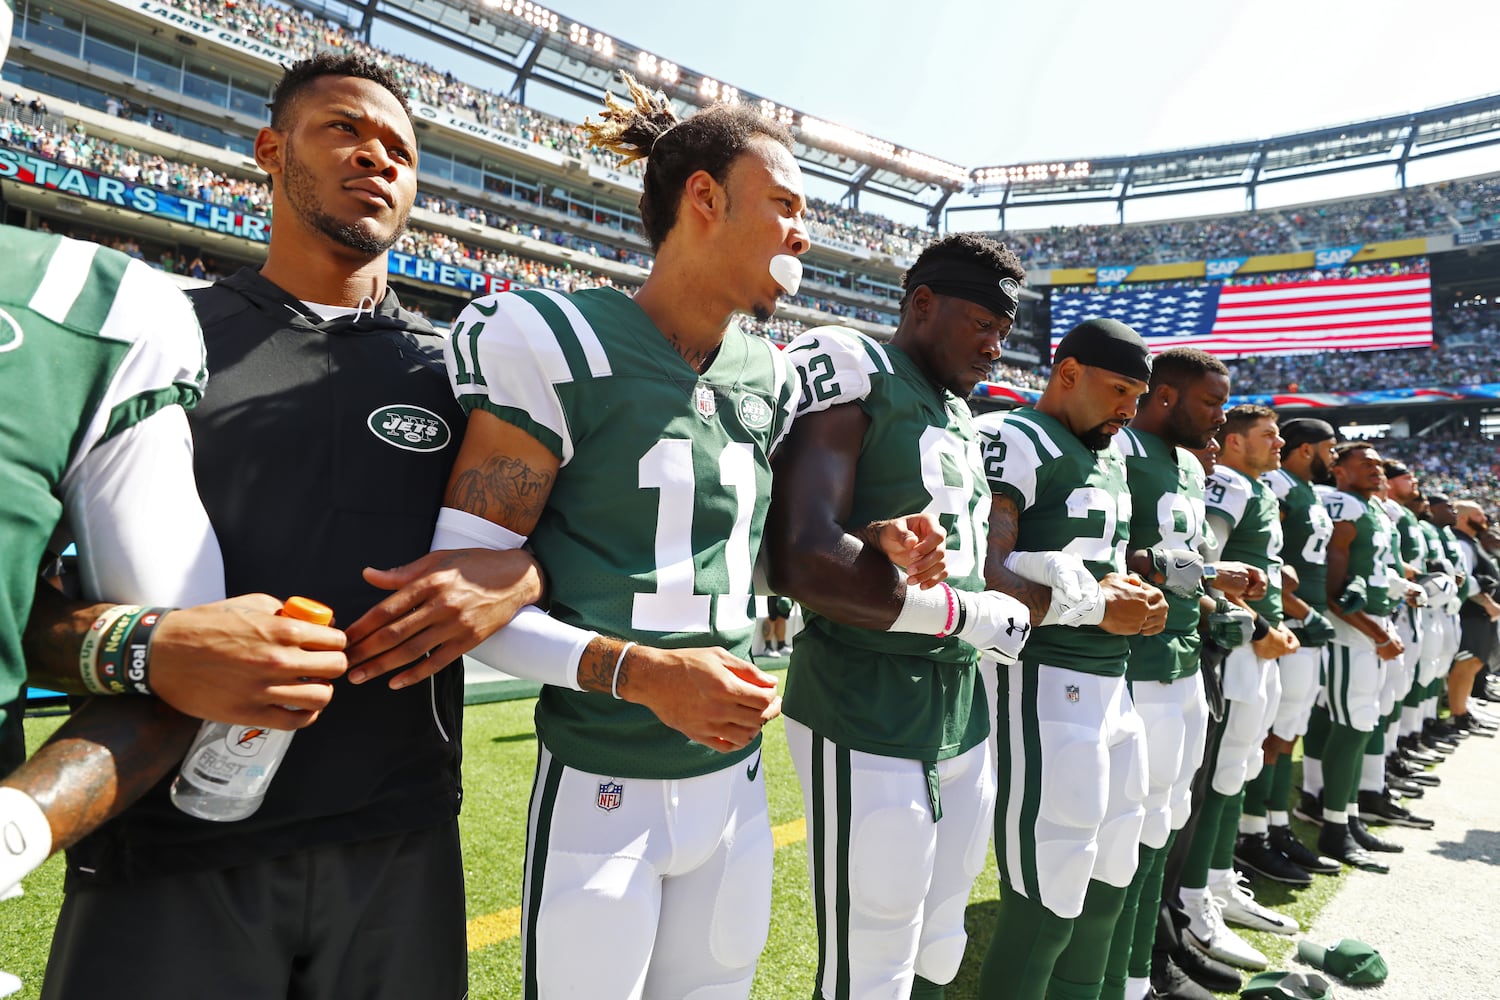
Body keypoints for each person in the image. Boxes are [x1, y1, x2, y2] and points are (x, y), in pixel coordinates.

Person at [394, 73, 932, 999]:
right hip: (604, 783)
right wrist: (639, 674)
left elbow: (715, 553)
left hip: (734, 783)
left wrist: (870, 539)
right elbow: (459, 602)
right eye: (787, 205)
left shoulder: (767, 371)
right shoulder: (560, 341)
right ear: (705, 198)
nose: (805, 233)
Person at [42, 53, 542, 999]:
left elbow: (553, 544)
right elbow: (30, 606)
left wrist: (523, 575)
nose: (376, 157)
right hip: (168, 846)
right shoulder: (160, 341)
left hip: (396, 840)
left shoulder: (465, 374)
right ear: (271, 149)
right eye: (343, 130)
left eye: (398, 147)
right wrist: (155, 647)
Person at [766, 234, 1033, 999]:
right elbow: (802, 555)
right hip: (864, 699)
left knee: (941, 940)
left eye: (1005, 333)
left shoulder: (958, 413)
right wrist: (964, 614)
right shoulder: (856, 366)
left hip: (960, 707)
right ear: (922, 304)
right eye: (982, 324)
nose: (995, 347)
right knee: (873, 950)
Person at [974, 317, 1169, 1000]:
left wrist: (1136, 596)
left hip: (1112, 684)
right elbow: (981, 573)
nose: (1128, 410)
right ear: (1068, 373)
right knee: (1053, 881)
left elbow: (1100, 567)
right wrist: (1093, 608)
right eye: (1119, 390)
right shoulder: (1013, 437)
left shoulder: (1109, 452)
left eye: (1138, 397)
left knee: (1115, 871)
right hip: (1043, 681)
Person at [1102, 347, 1232, 1000]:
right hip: (1138, 664)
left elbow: (1184, 565)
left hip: (1183, 660)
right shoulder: (1119, 451)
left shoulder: (1186, 462)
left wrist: (1213, 588)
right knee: (1131, 828)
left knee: (1167, 820)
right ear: (1167, 396)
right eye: (1211, 401)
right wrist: (1205, 579)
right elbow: (1126, 555)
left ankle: (1151, 955)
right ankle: (1130, 972)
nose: (1221, 416)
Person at [1176, 404, 1301, 972]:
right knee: (1222, 771)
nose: (1279, 443)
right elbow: (1210, 564)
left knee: (1241, 768)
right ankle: (1193, 895)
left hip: (1260, 644)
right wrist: (1262, 628)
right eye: (1267, 435)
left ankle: (1219, 881)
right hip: (1239, 645)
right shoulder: (1225, 482)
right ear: (1230, 443)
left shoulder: (1256, 485)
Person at [1235, 418, 1342, 885]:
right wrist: (1297, 605)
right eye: (1329, 447)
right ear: (1306, 449)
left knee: (1288, 731)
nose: (1333, 457)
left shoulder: (1305, 488)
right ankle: (1252, 831)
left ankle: (1275, 824)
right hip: (1280, 624)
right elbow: (1266, 561)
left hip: (1301, 625)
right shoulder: (1273, 485)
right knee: (1269, 737)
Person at [1297, 442, 1407, 873]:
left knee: (1365, 722)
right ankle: (1334, 826)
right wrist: (1377, 631)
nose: (1377, 470)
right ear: (1338, 470)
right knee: (1353, 724)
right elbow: (1333, 590)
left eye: (1380, 464)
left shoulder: (1372, 507)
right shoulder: (1341, 505)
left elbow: (1375, 571)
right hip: (1352, 633)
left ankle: (1348, 814)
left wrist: (1400, 590)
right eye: (1366, 464)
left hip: (1373, 626)